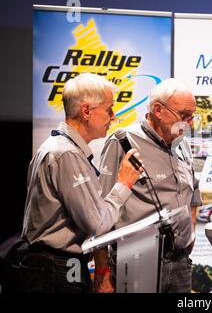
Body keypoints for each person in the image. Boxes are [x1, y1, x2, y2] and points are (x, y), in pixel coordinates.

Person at [20, 73, 142, 292]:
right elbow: (97, 225)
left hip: (56, 267)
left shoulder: (61, 148)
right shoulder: (65, 154)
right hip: (56, 270)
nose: (113, 116)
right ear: (86, 111)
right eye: (109, 109)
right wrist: (124, 183)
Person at [95, 78, 201, 293]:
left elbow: (193, 195)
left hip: (180, 263)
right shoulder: (123, 142)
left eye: (193, 116)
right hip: (136, 260)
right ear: (158, 110)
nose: (190, 123)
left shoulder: (183, 145)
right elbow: (99, 213)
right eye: (184, 115)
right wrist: (103, 273)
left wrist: (190, 234)